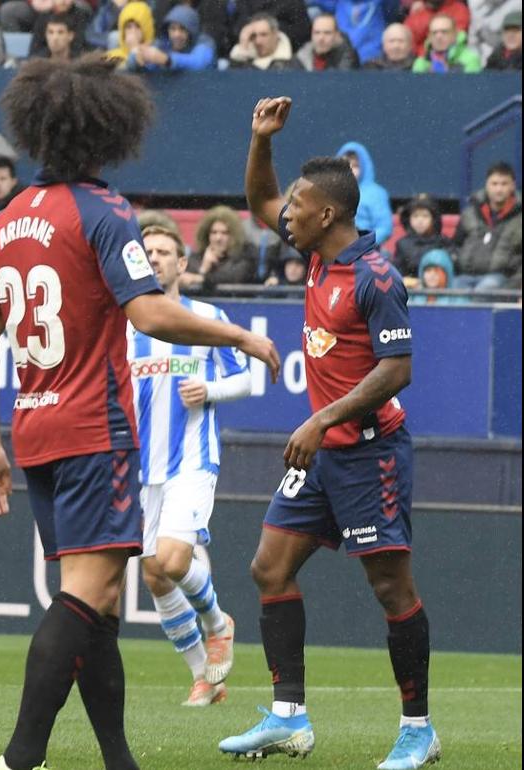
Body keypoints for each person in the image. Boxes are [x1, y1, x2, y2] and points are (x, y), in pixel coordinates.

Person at [0, 56, 280, 770]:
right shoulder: (103, 210)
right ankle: (17, 759)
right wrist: (235, 333)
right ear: (108, 133)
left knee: (102, 608)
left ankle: (119, 760)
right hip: (93, 427)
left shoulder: (7, 218)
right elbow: (149, 310)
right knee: (86, 595)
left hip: (34, 426)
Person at [222, 96, 438, 770]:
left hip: (368, 451)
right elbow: (258, 198)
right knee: (268, 567)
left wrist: (320, 417)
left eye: (297, 204)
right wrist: (261, 138)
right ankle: (288, 717)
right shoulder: (315, 253)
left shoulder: (376, 277)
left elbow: (397, 368)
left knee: (391, 590)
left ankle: (418, 730)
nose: (284, 213)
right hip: (322, 455)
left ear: (329, 213)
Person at [128, 223, 251, 708]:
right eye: (148, 252)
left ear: (182, 264)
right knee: (156, 575)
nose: (155, 257)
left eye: (164, 251)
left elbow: (242, 381)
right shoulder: (123, 324)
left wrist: (211, 391)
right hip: (142, 468)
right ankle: (205, 677)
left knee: (174, 559)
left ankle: (219, 624)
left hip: (192, 460)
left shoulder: (206, 316)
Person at [451, 162, 521, 290]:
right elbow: (455, 245)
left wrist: (514, 285)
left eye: (504, 184)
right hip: (464, 276)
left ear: (513, 186)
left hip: (503, 279)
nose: (499, 189)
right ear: (486, 185)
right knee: (454, 291)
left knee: (485, 289)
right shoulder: (470, 213)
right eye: (494, 184)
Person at [183, 205, 259, 293]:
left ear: (234, 235)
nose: (218, 238)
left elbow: (234, 278)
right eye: (214, 232)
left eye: (224, 233)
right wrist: (204, 268)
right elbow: (187, 281)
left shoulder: (246, 254)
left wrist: (201, 278)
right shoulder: (197, 256)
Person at [337, 141, 394, 247]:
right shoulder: (330, 191)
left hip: (366, 251)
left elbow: (385, 228)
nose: (349, 170)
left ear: (365, 167)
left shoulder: (376, 193)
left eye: (355, 166)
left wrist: (362, 244)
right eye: (345, 165)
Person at [127, 4, 217, 71]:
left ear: (191, 30)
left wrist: (167, 60)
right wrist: (137, 55)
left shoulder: (205, 42)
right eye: (173, 29)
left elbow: (199, 63)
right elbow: (135, 66)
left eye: (182, 29)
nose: (176, 34)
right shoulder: (163, 44)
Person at [394, 194, 452, 281]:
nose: (420, 221)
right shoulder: (402, 244)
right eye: (415, 216)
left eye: (425, 216)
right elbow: (397, 274)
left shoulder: (443, 242)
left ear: (434, 219)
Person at [229, 12, 303, 69]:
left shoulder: (292, 65)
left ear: (275, 35)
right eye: (253, 36)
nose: (258, 41)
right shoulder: (241, 61)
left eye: (263, 35)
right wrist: (243, 49)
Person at [412, 13, 482, 72]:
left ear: (455, 35)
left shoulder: (470, 60)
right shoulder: (420, 63)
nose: (438, 36)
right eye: (434, 32)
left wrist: (450, 72)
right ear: (429, 37)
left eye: (444, 32)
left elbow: (472, 87)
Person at [404, 0, 470, 56]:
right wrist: (427, 55)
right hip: (423, 60)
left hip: (455, 58)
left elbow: (457, 37)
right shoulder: (418, 12)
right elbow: (409, 41)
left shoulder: (459, 9)